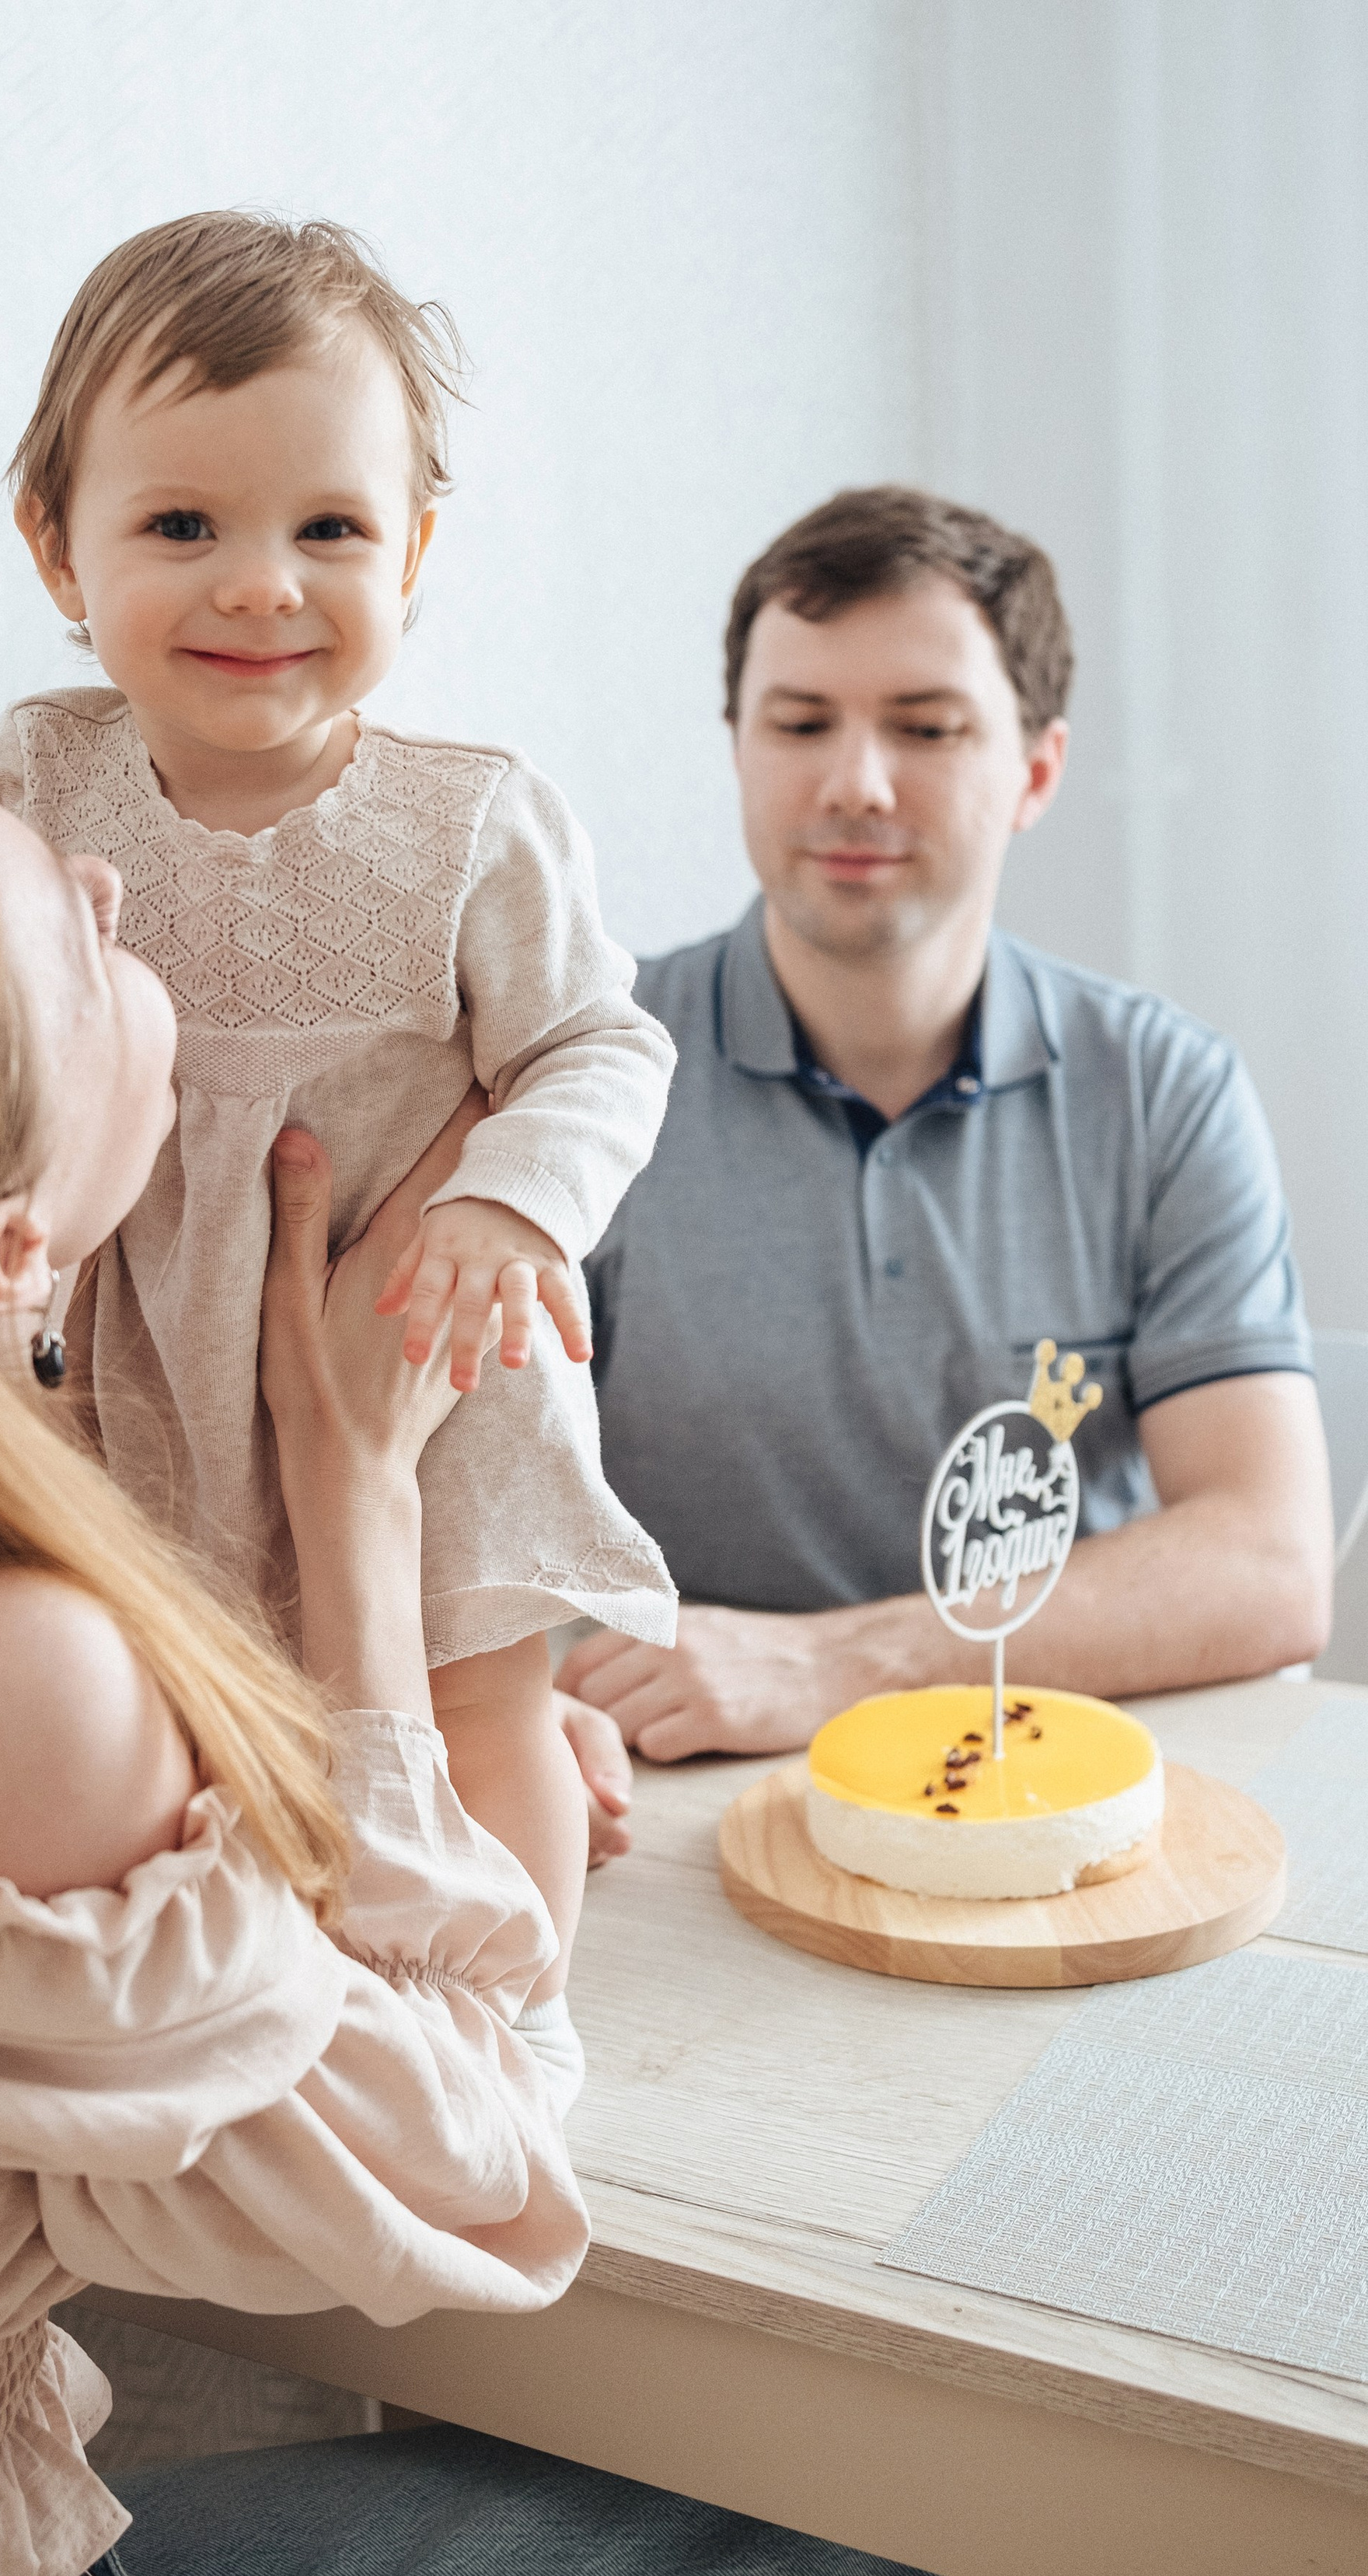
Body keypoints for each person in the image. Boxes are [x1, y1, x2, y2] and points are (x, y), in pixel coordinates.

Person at [0, 650, 1025, 2576]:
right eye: (53, 924)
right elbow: (473, 2166)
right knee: (904, 2550)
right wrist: (358, 1496)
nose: (102, 881)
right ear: (5, 1244)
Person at [0, 209, 678, 2095]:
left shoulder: (471, 825)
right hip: (139, 1362)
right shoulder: (27, 791)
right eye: (180, 526)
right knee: (176, 1710)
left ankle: (504, 2004)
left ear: (414, 551)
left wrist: (518, 1198)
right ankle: (252, 2002)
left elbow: (598, 1043)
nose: (260, 585)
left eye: (330, 530)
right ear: (59, 548)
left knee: (471, 1690)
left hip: (418, 1353)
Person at [560, 486, 1330, 1784]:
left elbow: (1269, 1562)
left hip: (1063, 1780)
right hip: (687, 1783)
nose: (855, 782)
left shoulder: (1168, 1090)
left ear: (1036, 769)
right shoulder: (582, 1073)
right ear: (738, 747)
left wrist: (834, 1666)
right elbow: (447, 1517)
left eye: (925, 728)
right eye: (800, 723)